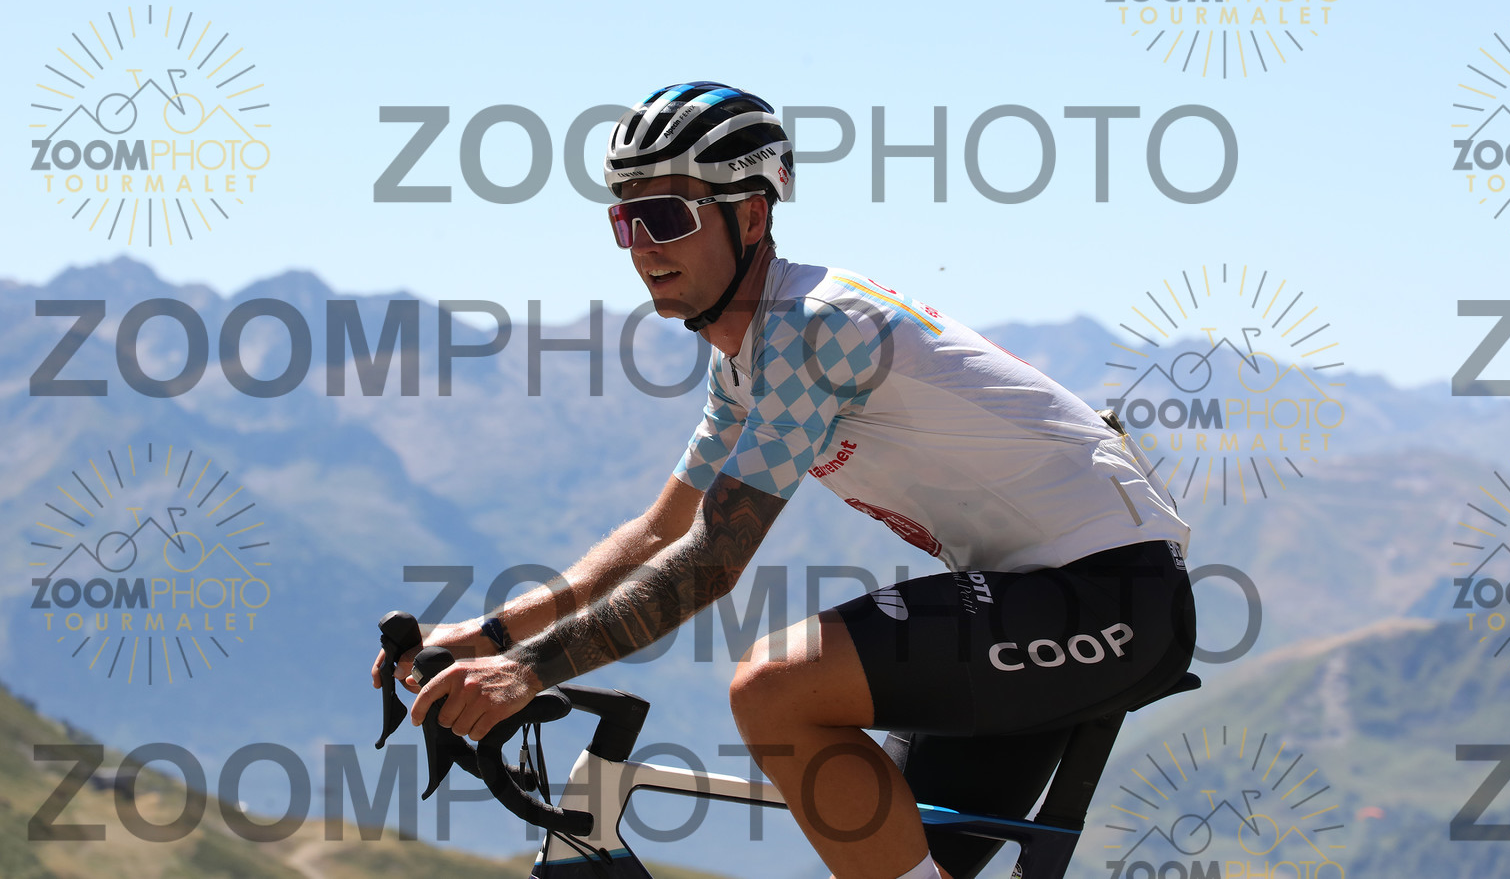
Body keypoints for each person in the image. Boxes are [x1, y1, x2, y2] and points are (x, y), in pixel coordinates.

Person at [373, 81, 1196, 879]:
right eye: (626, 219)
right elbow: (658, 531)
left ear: (752, 216)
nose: (644, 245)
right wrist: (494, 634)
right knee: (882, 855)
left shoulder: (812, 328)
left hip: (1109, 599)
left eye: (668, 215)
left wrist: (527, 672)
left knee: (774, 687)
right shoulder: (746, 362)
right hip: (1027, 600)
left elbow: (710, 560)